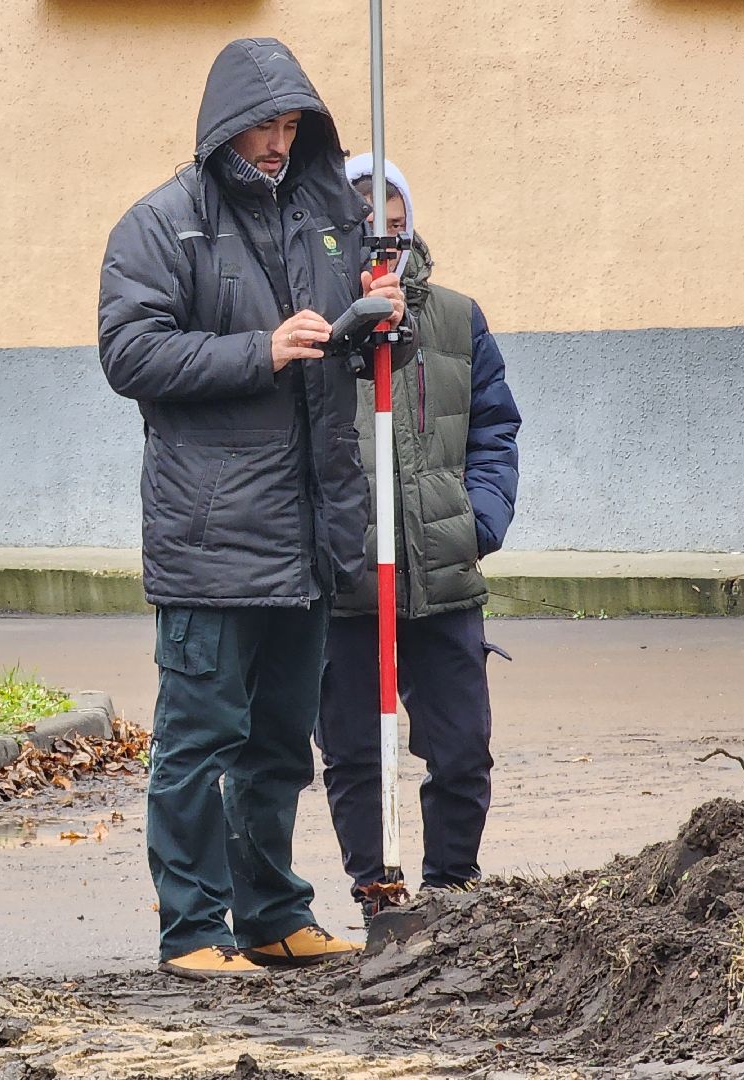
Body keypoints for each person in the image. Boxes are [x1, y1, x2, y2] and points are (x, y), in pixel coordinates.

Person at [98, 38, 414, 979]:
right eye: (262, 128)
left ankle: (272, 911)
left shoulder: (326, 216)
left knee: (280, 742)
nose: (277, 145)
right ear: (222, 127)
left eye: (289, 128)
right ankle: (194, 929)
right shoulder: (161, 226)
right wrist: (259, 350)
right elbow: (131, 354)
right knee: (200, 742)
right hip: (213, 534)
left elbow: (362, 317)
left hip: (309, 531)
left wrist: (382, 310)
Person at [317, 155, 521, 922]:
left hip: (442, 573)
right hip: (346, 583)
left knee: (461, 747)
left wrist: (480, 520)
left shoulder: (456, 319)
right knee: (355, 756)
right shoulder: (316, 321)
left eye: (397, 232)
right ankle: (378, 895)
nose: (386, 249)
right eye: (369, 234)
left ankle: (452, 893)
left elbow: (496, 427)